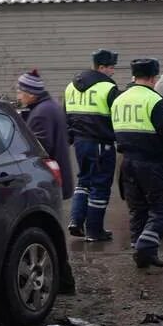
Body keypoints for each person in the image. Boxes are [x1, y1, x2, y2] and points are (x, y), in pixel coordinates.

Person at [111, 58, 163, 269]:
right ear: (152, 77)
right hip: (152, 162)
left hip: (127, 162)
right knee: (162, 207)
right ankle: (145, 247)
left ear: (134, 76)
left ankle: (142, 253)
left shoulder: (119, 100)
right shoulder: (154, 99)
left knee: (137, 208)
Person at [64, 49, 121, 242]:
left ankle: (76, 221)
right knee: (100, 186)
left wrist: (70, 138)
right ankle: (94, 231)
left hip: (80, 143)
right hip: (101, 143)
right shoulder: (108, 87)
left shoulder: (70, 86)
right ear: (102, 67)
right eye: (111, 68)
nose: (113, 72)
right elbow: (118, 117)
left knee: (84, 181)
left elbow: (67, 116)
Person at [17, 69, 74, 201]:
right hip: (57, 177)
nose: (18, 96)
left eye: (20, 92)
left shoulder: (41, 114)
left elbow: (39, 150)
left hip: (47, 182)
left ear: (31, 94)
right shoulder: (50, 106)